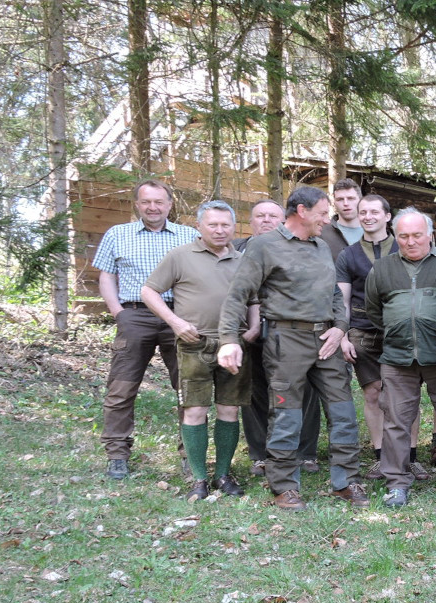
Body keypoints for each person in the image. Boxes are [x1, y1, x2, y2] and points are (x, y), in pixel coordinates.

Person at [217, 185, 368, 511]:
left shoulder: (320, 246)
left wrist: (340, 328)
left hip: (326, 340)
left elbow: (333, 294)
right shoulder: (264, 245)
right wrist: (228, 339)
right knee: (287, 414)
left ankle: (346, 481)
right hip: (286, 341)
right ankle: (284, 486)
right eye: (322, 213)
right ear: (302, 211)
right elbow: (238, 294)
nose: (326, 220)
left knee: (343, 412)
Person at [141, 200, 255, 500]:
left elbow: (255, 299)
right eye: (212, 224)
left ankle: (223, 474)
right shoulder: (180, 256)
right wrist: (175, 322)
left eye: (225, 225)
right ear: (199, 226)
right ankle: (199, 478)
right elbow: (149, 291)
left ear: (234, 227)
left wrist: (253, 328)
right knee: (195, 410)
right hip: (194, 344)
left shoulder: (243, 260)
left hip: (234, 345)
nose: (219, 230)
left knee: (229, 409)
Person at [366, 208, 436, 507]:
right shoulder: (382, 268)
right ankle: (397, 483)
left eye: (416, 235)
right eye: (403, 236)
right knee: (396, 420)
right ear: (395, 236)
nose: (410, 241)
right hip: (397, 357)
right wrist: (400, 329)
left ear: (430, 235)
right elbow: (374, 310)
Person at [95, 178, 197, 480]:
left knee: (189, 388)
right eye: (146, 202)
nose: (153, 207)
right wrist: (119, 313)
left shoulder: (189, 236)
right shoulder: (118, 234)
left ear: (169, 204)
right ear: (137, 204)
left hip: (178, 317)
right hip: (135, 316)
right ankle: (117, 454)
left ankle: (190, 453)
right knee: (121, 388)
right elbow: (106, 276)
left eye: (159, 202)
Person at [235, 200, 323, 477]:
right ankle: (261, 454)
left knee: (304, 390)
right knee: (255, 392)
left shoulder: (303, 247)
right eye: (259, 215)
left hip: (294, 332)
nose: (266, 220)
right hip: (250, 333)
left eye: (272, 215)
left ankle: (305, 452)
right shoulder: (237, 250)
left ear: (283, 220)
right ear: (251, 222)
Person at [335, 193, 398, 479]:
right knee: (373, 393)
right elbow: (343, 300)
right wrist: (343, 335)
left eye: (374, 211)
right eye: (363, 212)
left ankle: (407, 456)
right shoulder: (348, 255)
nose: (368, 217)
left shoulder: (403, 246)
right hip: (363, 331)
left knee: (404, 394)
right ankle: (380, 455)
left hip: (400, 331)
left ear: (387, 216)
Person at [319, 177, 364, 256]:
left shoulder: (374, 231)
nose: (346, 203)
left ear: (360, 200)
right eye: (340, 199)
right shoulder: (322, 233)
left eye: (350, 198)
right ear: (334, 202)